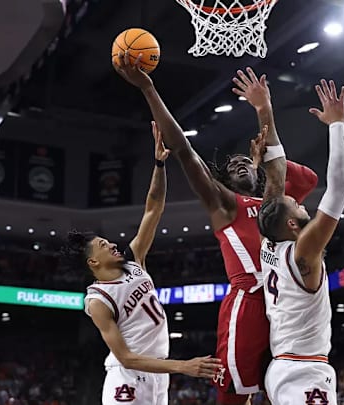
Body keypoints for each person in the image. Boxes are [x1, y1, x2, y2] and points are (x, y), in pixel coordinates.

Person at [114, 52, 318, 405]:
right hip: (249, 299)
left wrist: (264, 108)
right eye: (234, 165)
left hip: (286, 300)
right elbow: (183, 148)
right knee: (233, 393)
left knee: (286, 387)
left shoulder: (272, 204)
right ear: (223, 181)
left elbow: (278, 170)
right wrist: (148, 88)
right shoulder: (225, 205)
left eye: (246, 162)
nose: (240, 164)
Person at [62, 122, 220, 405]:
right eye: (103, 245)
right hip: (128, 378)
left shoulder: (134, 260)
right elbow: (126, 357)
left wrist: (159, 165)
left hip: (158, 373)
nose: (111, 244)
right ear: (93, 261)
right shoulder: (98, 300)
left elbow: (153, 207)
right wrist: (184, 366)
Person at [257, 79, 344, 405]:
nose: (303, 204)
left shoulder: (267, 246)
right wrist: (337, 125)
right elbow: (338, 190)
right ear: (294, 224)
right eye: (298, 205)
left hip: (284, 365)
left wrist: (264, 111)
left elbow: (274, 179)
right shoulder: (303, 254)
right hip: (303, 369)